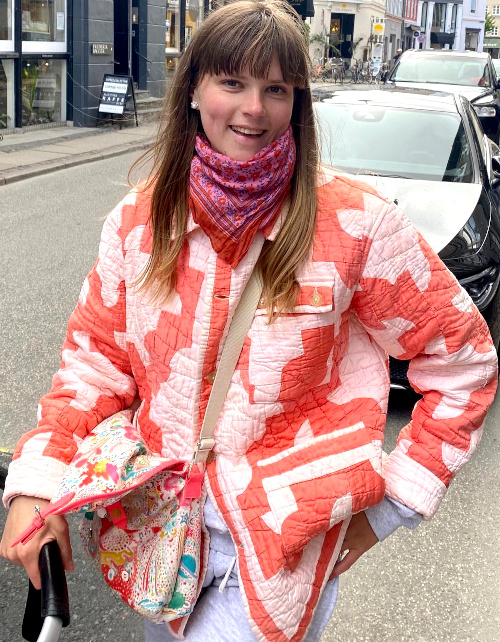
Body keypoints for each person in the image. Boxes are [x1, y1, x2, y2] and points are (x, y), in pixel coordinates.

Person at [1, 2, 497, 641]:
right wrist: (38, 483)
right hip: (161, 533)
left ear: (297, 104)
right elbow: (94, 366)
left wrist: (393, 505)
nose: (254, 108)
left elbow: (464, 366)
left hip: (277, 554)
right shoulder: (139, 223)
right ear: (194, 89)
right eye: (232, 82)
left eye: (276, 89)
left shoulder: (357, 224)